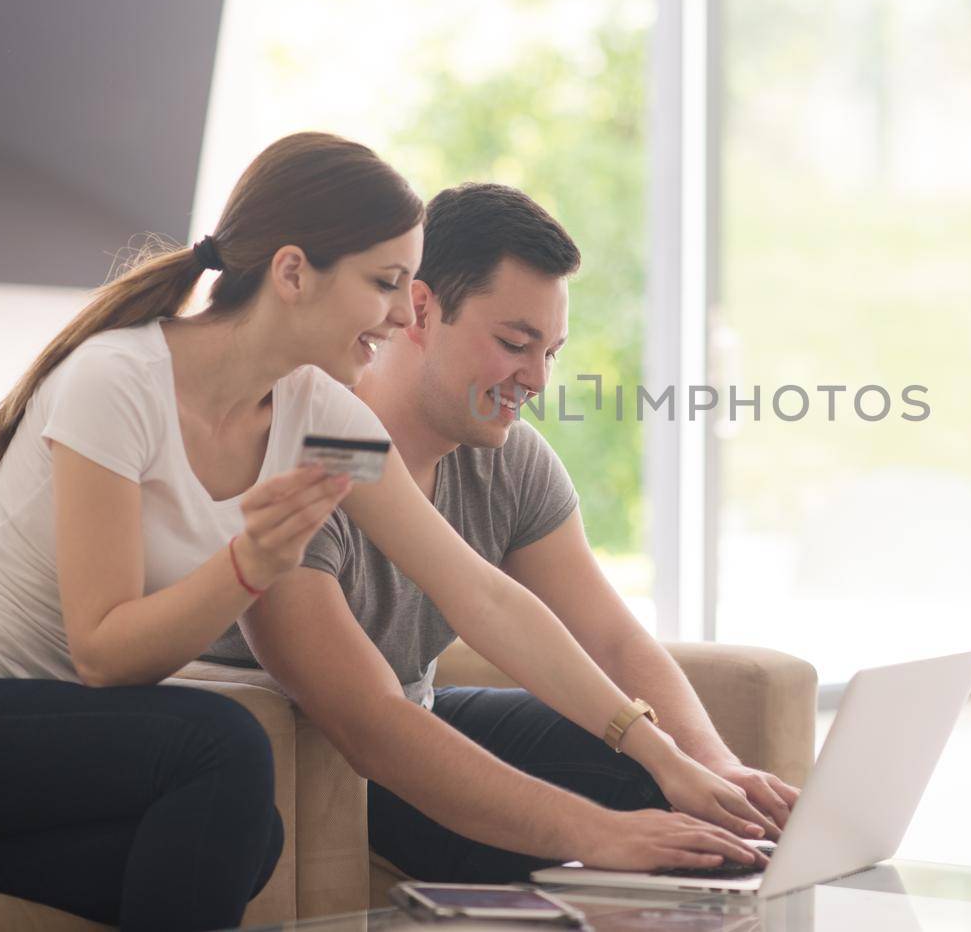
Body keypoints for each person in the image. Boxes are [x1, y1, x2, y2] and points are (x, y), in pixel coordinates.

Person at [0, 137, 758, 932]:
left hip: (53, 733)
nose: (396, 319)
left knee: (242, 839)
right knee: (219, 755)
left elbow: (479, 592)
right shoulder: (118, 380)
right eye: (384, 284)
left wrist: (658, 750)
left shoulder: (321, 419)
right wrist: (248, 564)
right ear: (294, 273)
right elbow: (102, 654)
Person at [204, 182, 800, 883]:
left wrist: (706, 766)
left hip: (418, 709)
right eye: (516, 343)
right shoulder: (309, 443)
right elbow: (370, 723)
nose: (537, 379)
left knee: (684, 805)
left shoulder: (510, 460)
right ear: (420, 309)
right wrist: (604, 834)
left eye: (551, 351)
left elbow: (606, 637)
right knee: (634, 813)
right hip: (318, 748)